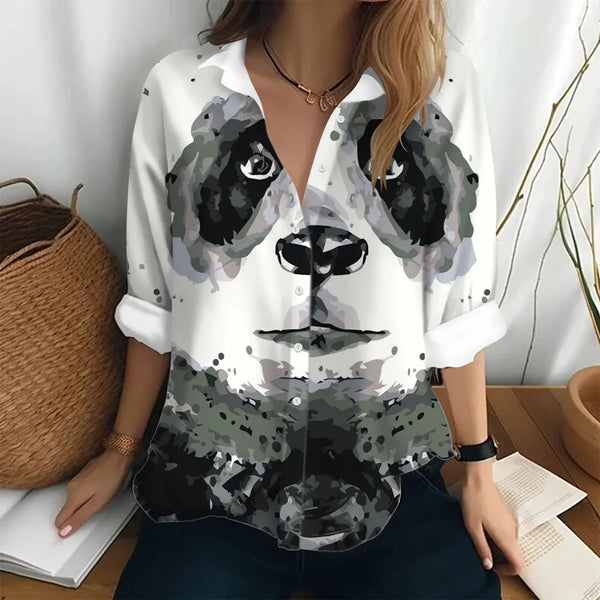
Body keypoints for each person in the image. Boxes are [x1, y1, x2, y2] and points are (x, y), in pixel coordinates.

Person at [55, 0, 526, 598]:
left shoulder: (442, 89)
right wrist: (120, 451)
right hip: (212, 479)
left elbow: (459, 308)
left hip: (394, 474)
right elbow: (155, 303)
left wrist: (479, 474)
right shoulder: (179, 90)